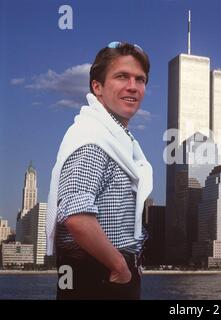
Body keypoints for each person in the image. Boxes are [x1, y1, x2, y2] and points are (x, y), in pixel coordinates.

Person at [45, 41, 153, 299]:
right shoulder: (93, 140)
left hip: (102, 273)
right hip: (96, 277)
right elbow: (75, 215)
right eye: (121, 77)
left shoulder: (115, 140)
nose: (132, 86)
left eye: (140, 79)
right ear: (97, 87)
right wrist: (119, 268)